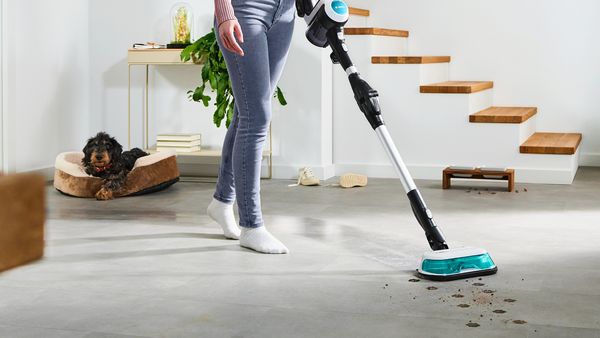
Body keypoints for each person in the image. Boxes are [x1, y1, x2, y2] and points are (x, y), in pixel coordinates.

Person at [206, 0, 295, 254]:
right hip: (246, 9)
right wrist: (224, 12)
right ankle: (252, 226)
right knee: (256, 116)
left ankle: (222, 201)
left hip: (285, 13)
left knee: (248, 111)